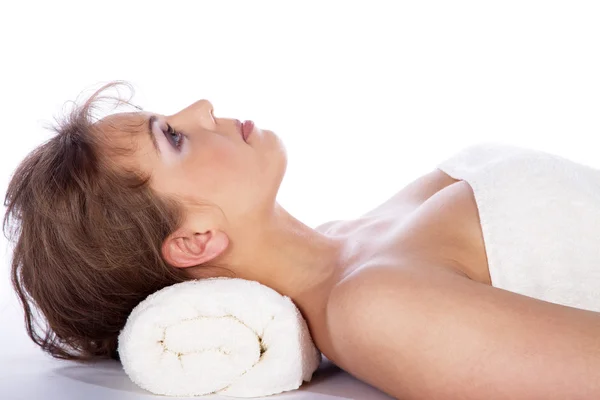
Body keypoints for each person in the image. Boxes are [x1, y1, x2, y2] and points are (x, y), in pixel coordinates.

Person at [4, 80, 600, 399]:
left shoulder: (357, 239)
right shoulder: (377, 311)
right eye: (174, 139)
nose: (203, 106)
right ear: (194, 241)